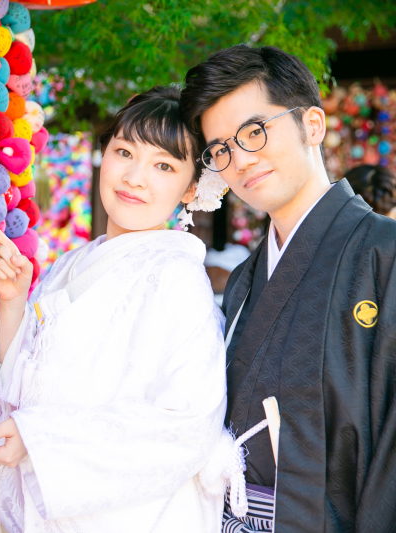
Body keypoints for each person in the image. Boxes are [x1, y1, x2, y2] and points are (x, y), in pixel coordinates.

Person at [0, 86, 229, 532]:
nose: (135, 177)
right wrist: (12, 306)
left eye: (163, 165)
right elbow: (29, 380)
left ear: (191, 188)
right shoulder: (72, 263)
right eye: (125, 152)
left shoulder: (177, 278)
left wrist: (40, 440)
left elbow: (186, 425)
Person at [180, 45, 396, 532]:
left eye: (255, 131)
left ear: (312, 125)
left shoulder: (385, 256)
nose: (240, 160)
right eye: (222, 149)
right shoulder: (243, 282)